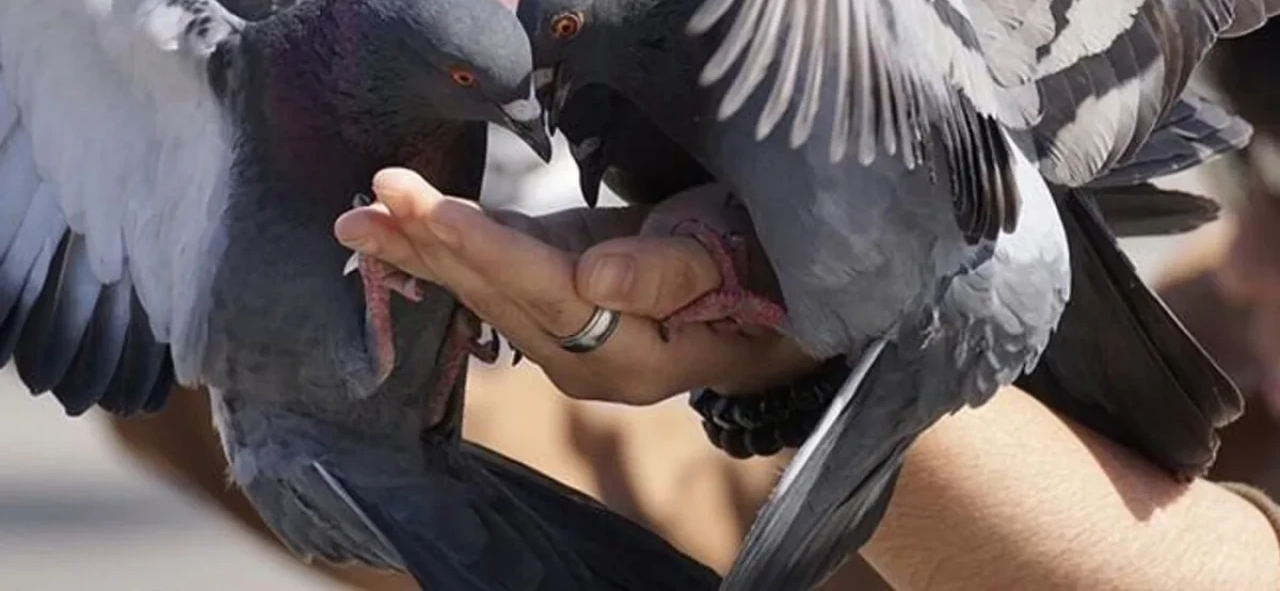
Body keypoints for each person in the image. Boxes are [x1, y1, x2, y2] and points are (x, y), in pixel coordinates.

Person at [335, 167, 1280, 591]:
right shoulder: (1230, 326)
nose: (1243, 256)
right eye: (1256, 178)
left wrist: (810, 348)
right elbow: (684, 494)